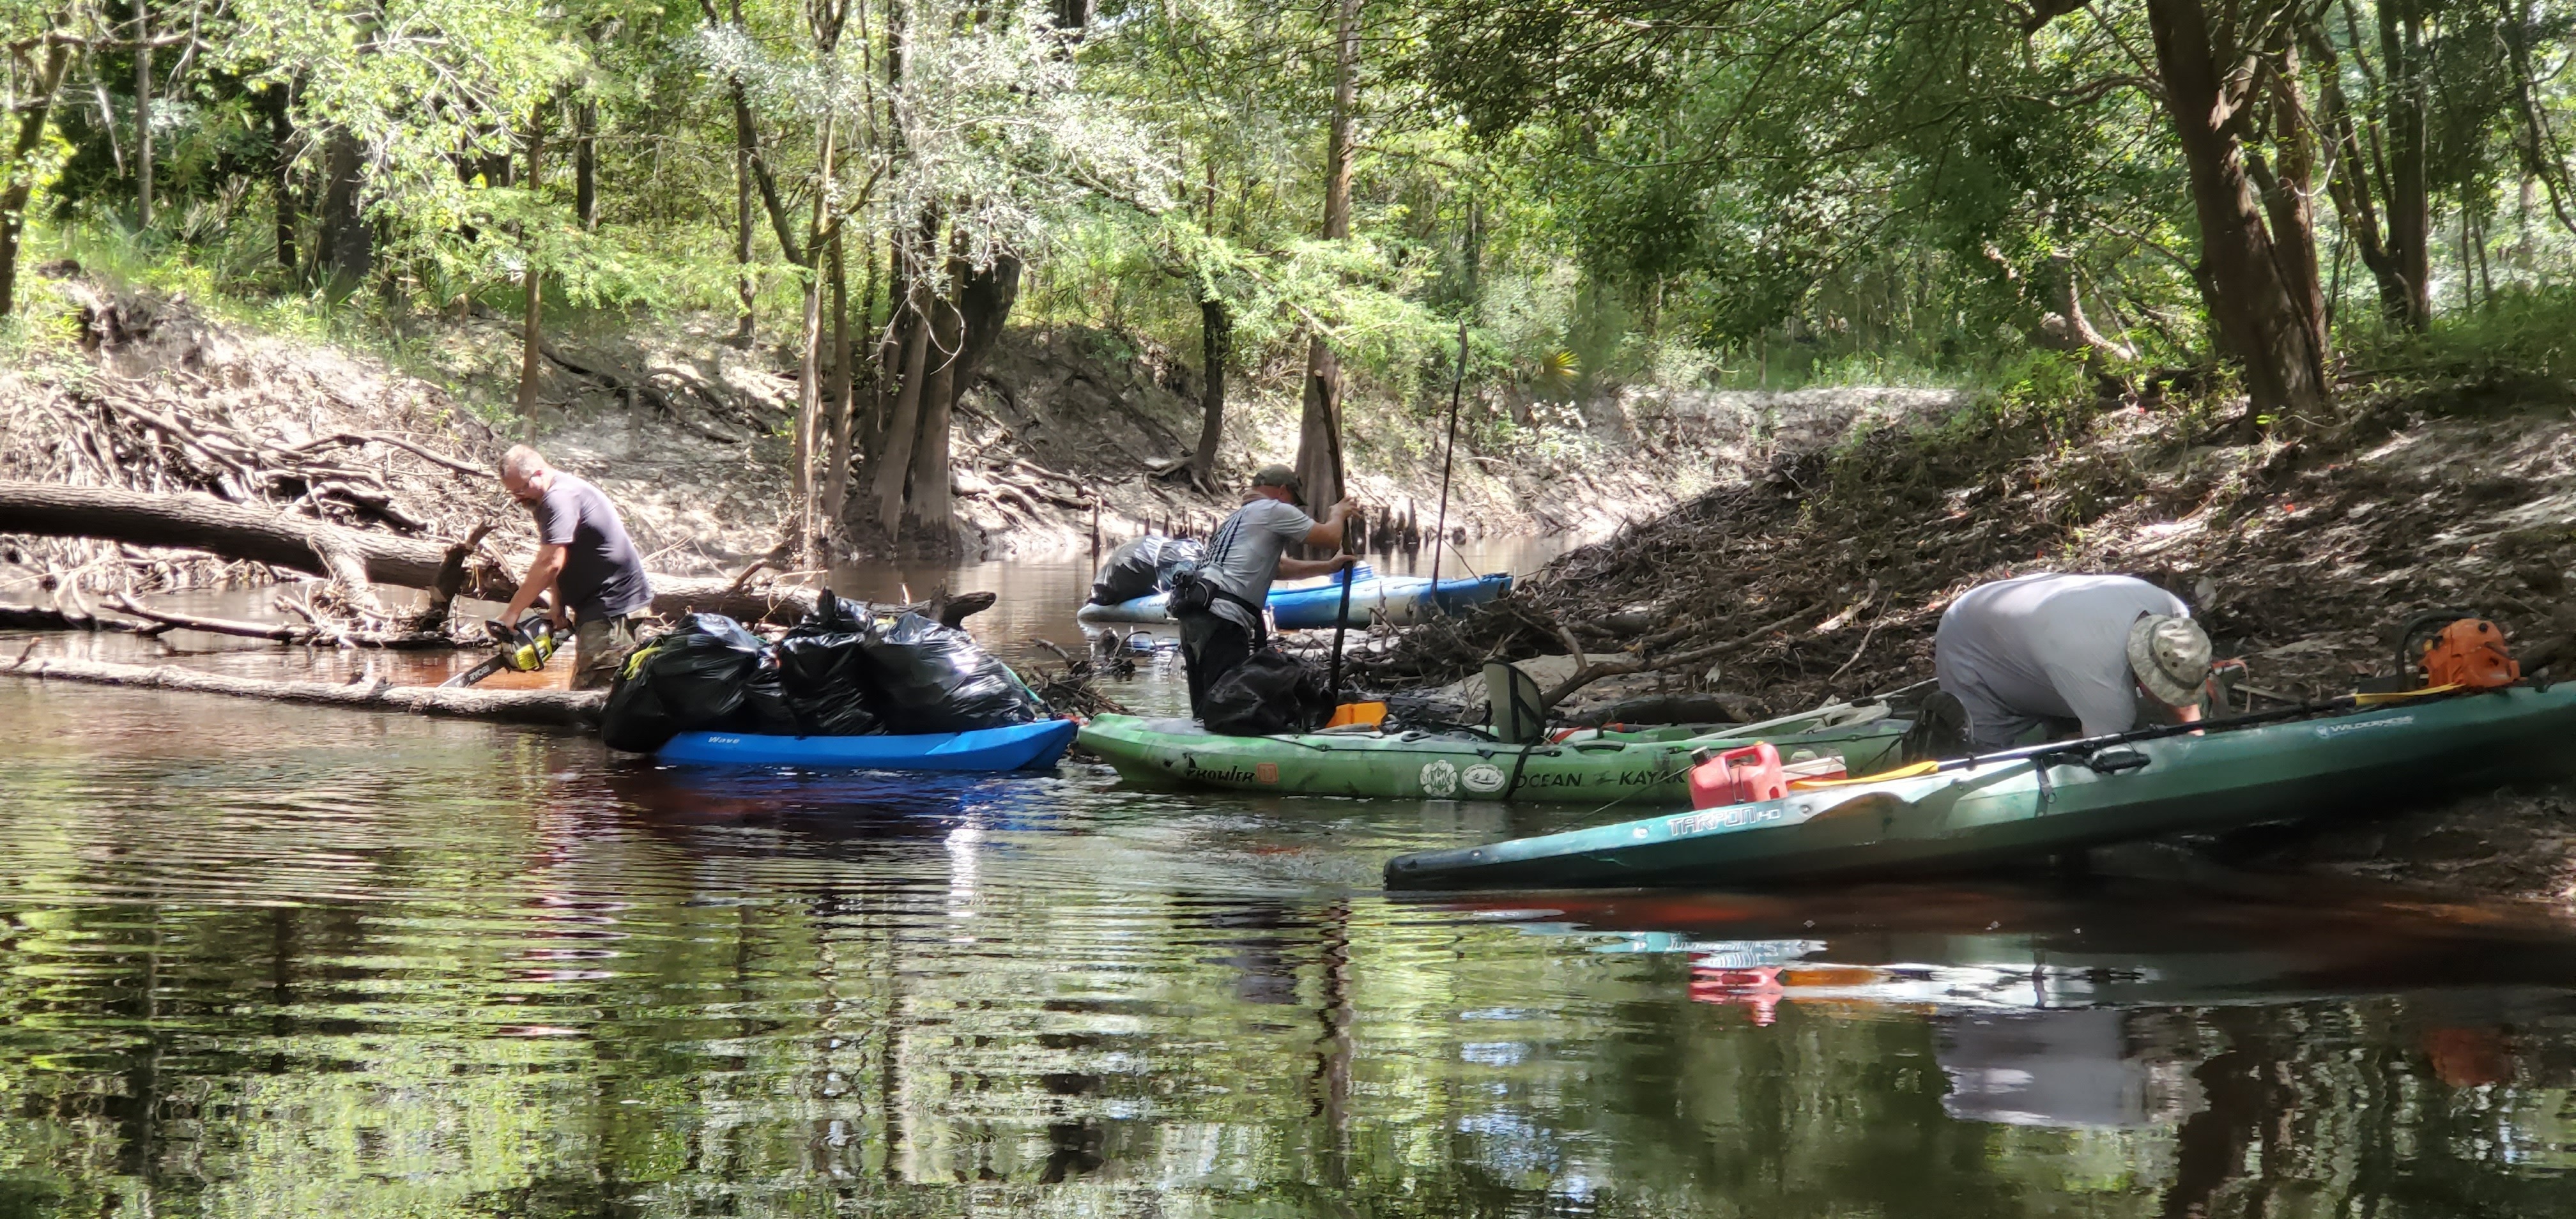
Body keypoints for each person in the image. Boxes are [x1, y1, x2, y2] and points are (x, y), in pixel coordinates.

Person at [1931, 572, 2212, 753]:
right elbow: (2105, 756)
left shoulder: (2174, 614)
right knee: (1987, 753)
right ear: (2143, 674)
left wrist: (2197, 749)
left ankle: (2061, 725)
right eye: (2163, 689)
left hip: (2038, 621)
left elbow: (2185, 711)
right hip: (1971, 638)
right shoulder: (2098, 677)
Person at [1176, 465, 1357, 717]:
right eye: (1294, 501)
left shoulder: (1237, 517)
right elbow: (1329, 537)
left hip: (1196, 611)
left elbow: (1279, 567)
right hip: (1225, 617)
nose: (1293, 508)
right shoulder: (1274, 509)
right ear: (1283, 492)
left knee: (1207, 700)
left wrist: (1327, 568)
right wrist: (1338, 513)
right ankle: (1228, 749)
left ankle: (1199, 741)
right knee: (1226, 703)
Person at [497, 445, 655, 689]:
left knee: (596, 693)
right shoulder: (544, 499)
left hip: (613, 606)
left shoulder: (560, 497)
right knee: (590, 688)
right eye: (513, 492)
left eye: (521, 489)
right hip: (595, 604)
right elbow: (562, 556)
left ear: (539, 473)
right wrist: (557, 606)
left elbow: (549, 563)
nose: (518, 497)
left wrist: (512, 613)